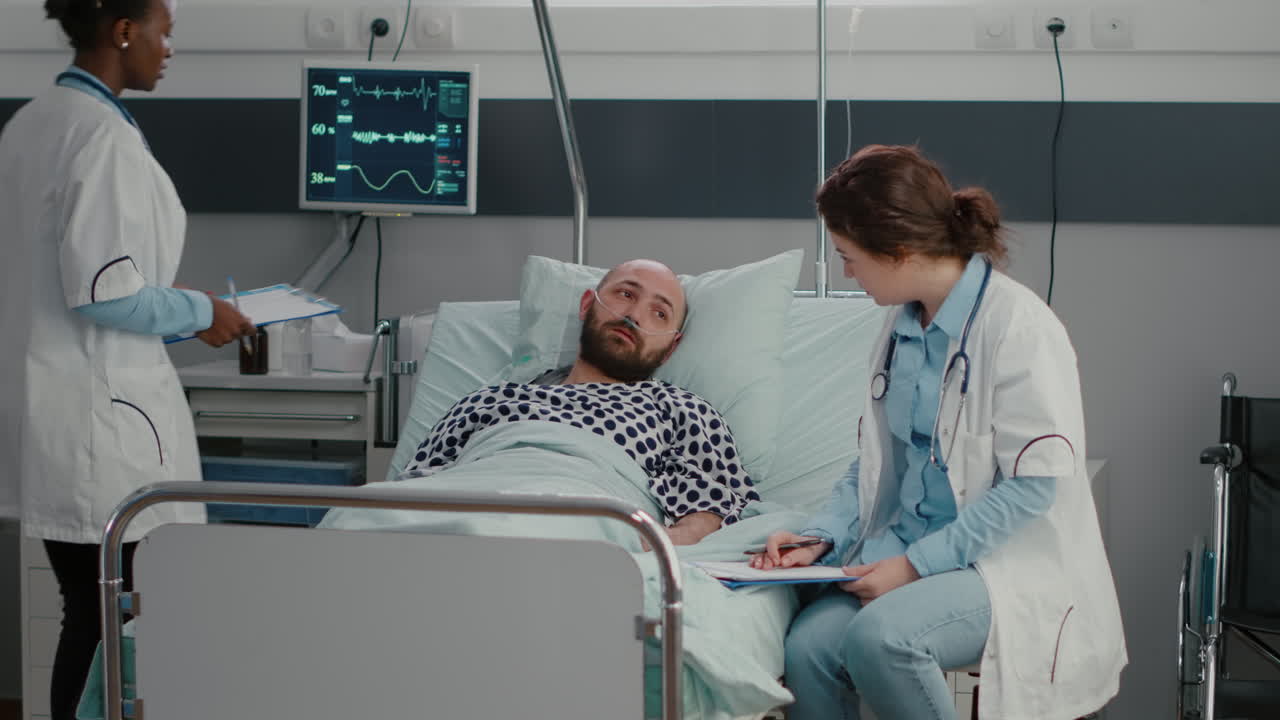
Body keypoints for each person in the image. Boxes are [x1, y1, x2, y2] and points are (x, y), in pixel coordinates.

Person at [751, 145, 1126, 719]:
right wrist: (820, 534)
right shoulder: (900, 328)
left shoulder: (1018, 326)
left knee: (881, 639)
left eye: (849, 258)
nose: (847, 272)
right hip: (905, 547)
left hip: (998, 562)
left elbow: (1034, 487)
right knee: (808, 649)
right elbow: (875, 463)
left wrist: (915, 567)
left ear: (898, 252)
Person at [0, 2, 253, 718]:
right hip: (95, 424)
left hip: (51, 406)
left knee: (89, 609)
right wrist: (205, 312)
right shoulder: (99, 138)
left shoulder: (34, 123)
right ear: (121, 31)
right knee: (108, 616)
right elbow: (105, 294)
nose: (167, 48)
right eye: (162, 31)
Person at [401, 259, 761, 545]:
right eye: (625, 294)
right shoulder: (491, 399)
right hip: (460, 510)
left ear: (672, 348)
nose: (634, 316)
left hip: (579, 526)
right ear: (588, 304)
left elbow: (716, 508)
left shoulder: (679, 410)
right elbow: (412, 488)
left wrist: (648, 546)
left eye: (659, 313)